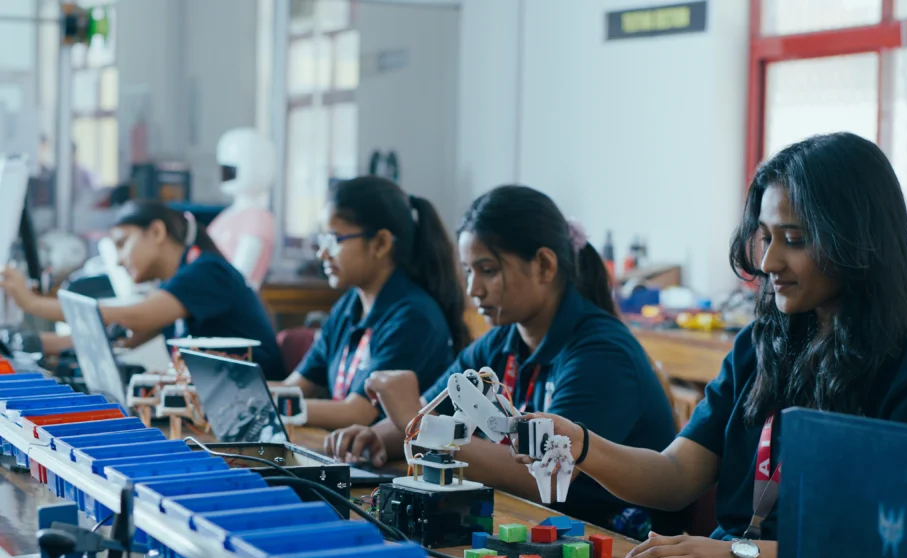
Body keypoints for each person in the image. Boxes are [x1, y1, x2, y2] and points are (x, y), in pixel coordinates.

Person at [515, 133, 907, 558]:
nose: (768, 262)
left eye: (794, 239)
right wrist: (581, 444)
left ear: (858, 243)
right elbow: (676, 475)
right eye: (765, 237)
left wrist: (743, 555)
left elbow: (906, 552)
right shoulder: (762, 345)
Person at [325, 185, 679, 535]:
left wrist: (410, 423)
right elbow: (432, 411)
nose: (473, 289)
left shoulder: (602, 354)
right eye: (467, 271)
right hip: (536, 528)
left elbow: (536, 475)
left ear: (543, 265)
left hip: (617, 547)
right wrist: (373, 436)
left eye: (488, 270)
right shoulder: (499, 343)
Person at [0, 200, 287, 380]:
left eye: (123, 243)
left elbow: (133, 318)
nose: (121, 260)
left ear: (157, 232)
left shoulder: (206, 272)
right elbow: (117, 339)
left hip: (259, 402)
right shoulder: (175, 286)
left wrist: (32, 303)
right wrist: (25, 341)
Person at [279, 176, 470, 431]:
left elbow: (357, 413)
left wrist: (262, 406)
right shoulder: (349, 306)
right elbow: (295, 387)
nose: (321, 253)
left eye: (334, 240)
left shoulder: (413, 317)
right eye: (322, 240)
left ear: (380, 243)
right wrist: (237, 396)